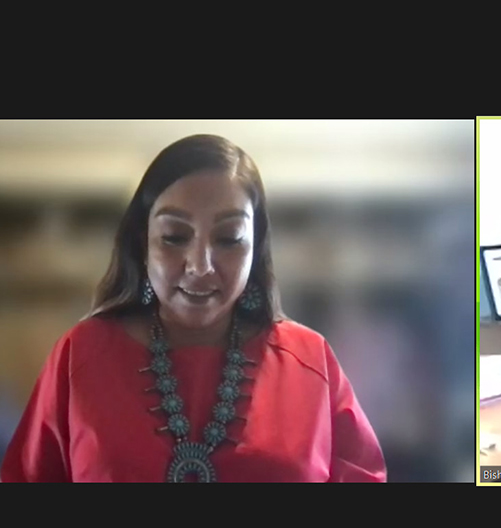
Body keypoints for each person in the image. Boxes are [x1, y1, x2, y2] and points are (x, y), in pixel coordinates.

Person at [0, 134, 387, 483]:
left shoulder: (309, 360)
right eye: (174, 237)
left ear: (257, 247)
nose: (200, 265)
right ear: (142, 242)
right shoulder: (81, 355)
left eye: (229, 238)